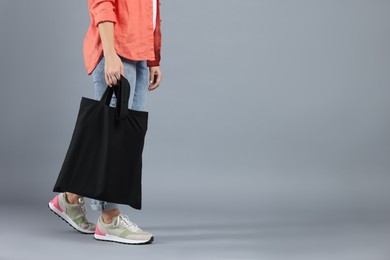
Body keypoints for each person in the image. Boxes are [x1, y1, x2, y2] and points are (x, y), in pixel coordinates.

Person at [48, 0, 162, 245]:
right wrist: (110, 54)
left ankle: (69, 199)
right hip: (117, 51)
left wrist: (153, 58)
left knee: (126, 138)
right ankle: (109, 219)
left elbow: (152, 9)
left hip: (140, 52)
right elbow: (102, 4)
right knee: (115, 137)